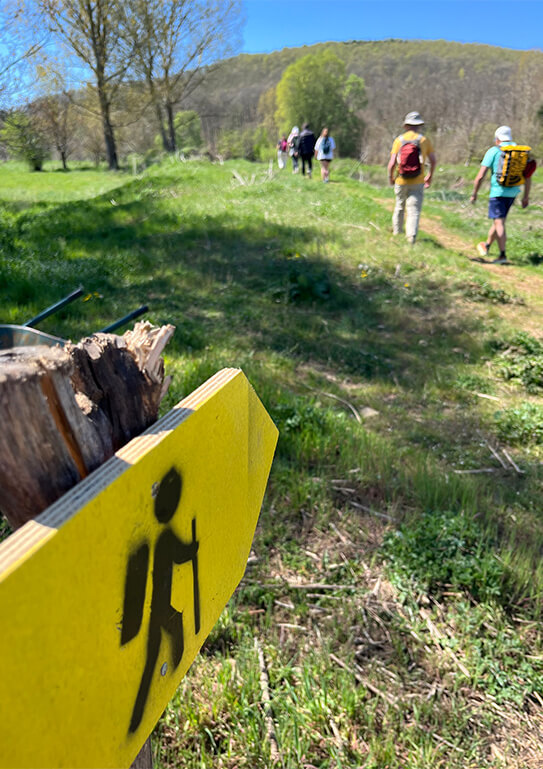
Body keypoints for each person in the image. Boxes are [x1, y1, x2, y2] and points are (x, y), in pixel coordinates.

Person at [470, 125, 532, 264]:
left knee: (499, 222)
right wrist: (525, 196)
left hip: (498, 193)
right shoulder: (520, 152)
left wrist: (474, 193)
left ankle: (502, 255)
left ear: (497, 139)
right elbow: (528, 177)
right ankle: (486, 245)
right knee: (500, 220)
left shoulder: (493, 151)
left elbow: (480, 176)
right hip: (513, 192)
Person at [387, 111, 436, 245]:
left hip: (401, 179)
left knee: (399, 206)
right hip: (418, 180)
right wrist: (429, 176)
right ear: (419, 126)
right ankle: (411, 238)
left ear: (406, 126)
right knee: (414, 210)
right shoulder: (424, 140)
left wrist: (391, 177)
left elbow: (392, 163)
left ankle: (397, 232)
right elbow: (433, 161)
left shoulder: (399, 140)